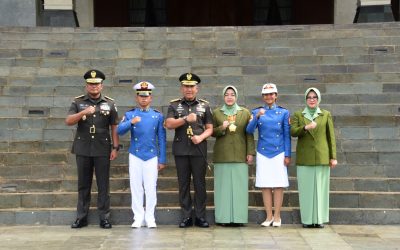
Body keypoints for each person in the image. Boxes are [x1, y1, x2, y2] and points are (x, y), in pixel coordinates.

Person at [65, 69, 119, 229]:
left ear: (102, 86)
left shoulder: (109, 103)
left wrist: (115, 147)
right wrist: (83, 112)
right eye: (91, 84)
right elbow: (68, 121)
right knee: (83, 184)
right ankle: (81, 217)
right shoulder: (78, 102)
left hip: (102, 148)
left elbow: (114, 126)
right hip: (83, 147)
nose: (94, 86)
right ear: (86, 85)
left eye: (97, 84)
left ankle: (104, 217)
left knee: (103, 185)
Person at [164, 73, 213, 228]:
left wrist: (201, 137)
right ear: (182, 88)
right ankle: (186, 216)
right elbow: (169, 124)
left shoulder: (204, 106)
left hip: (198, 149)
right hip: (181, 150)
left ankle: (200, 217)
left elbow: (210, 128)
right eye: (186, 86)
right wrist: (185, 119)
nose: (189, 89)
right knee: (183, 184)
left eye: (192, 86)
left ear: (197, 88)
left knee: (200, 184)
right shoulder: (174, 105)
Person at [117, 81, 166, 229]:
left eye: (147, 96)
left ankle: (150, 217)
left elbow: (161, 139)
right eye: (141, 96)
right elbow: (119, 131)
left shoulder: (157, 116)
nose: (144, 99)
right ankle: (138, 217)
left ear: (151, 98)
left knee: (151, 188)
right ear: (137, 98)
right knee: (136, 187)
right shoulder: (130, 114)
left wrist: (162, 158)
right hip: (136, 154)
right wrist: (131, 122)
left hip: (151, 155)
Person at [290, 87, 337, 229]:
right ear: (305, 99)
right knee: (306, 190)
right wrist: (306, 127)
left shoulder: (325, 114)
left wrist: (333, 156)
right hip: (305, 158)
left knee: (321, 189)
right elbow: (293, 131)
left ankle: (320, 219)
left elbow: (331, 137)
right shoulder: (298, 114)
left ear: (318, 99)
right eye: (309, 97)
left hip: (322, 156)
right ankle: (307, 220)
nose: (311, 100)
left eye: (314, 97)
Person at [246, 83, 291, 227]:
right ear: (263, 97)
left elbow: (286, 134)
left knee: (278, 185)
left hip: (279, 151)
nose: (269, 97)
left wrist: (287, 154)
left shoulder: (284, 113)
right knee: (265, 185)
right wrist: (257, 117)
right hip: (263, 151)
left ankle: (277, 216)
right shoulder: (256, 112)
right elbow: (249, 130)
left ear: (276, 96)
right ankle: (269, 216)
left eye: (271, 94)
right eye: (266, 94)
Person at [212, 85, 255, 226]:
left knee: (240, 188)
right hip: (222, 155)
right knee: (222, 189)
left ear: (236, 97)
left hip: (240, 155)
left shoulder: (245, 112)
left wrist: (250, 152)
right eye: (227, 94)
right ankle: (223, 218)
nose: (229, 97)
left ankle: (239, 218)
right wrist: (222, 128)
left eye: (232, 94)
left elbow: (249, 134)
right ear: (223, 97)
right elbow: (211, 132)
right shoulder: (217, 113)